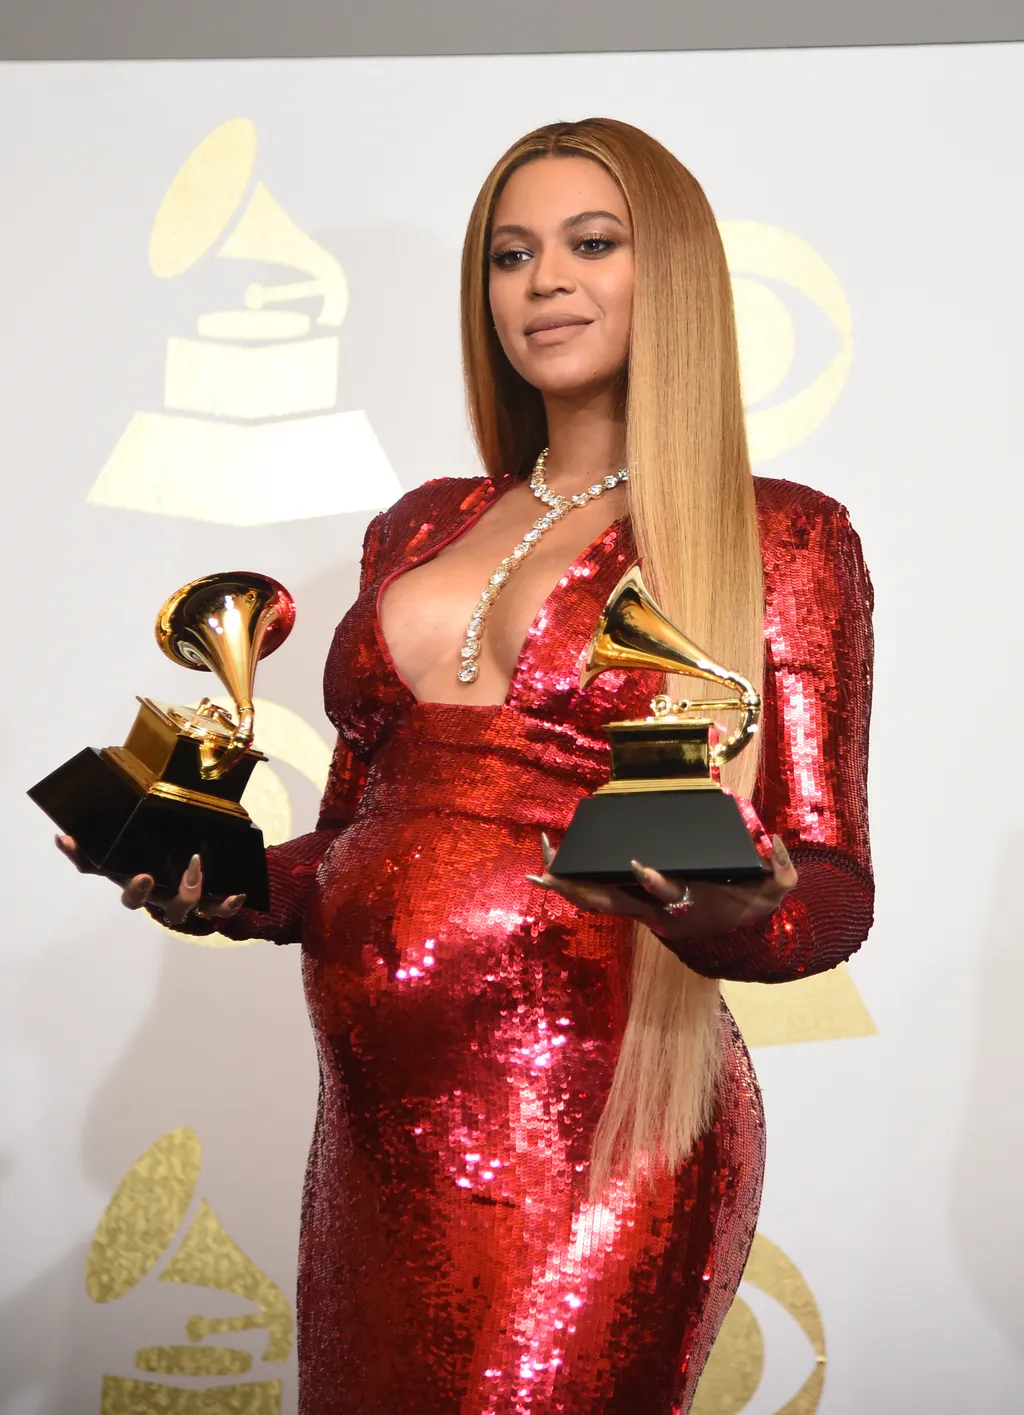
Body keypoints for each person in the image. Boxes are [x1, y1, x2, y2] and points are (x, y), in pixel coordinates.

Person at [58, 119, 874, 1414]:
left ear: (672, 275)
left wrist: (738, 916)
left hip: (603, 1146)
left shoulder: (780, 533)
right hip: (378, 1145)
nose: (543, 280)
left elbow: (831, 883)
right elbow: (356, 842)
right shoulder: (422, 523)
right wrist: (211, 875)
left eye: (590, 244)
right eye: (510, 253)